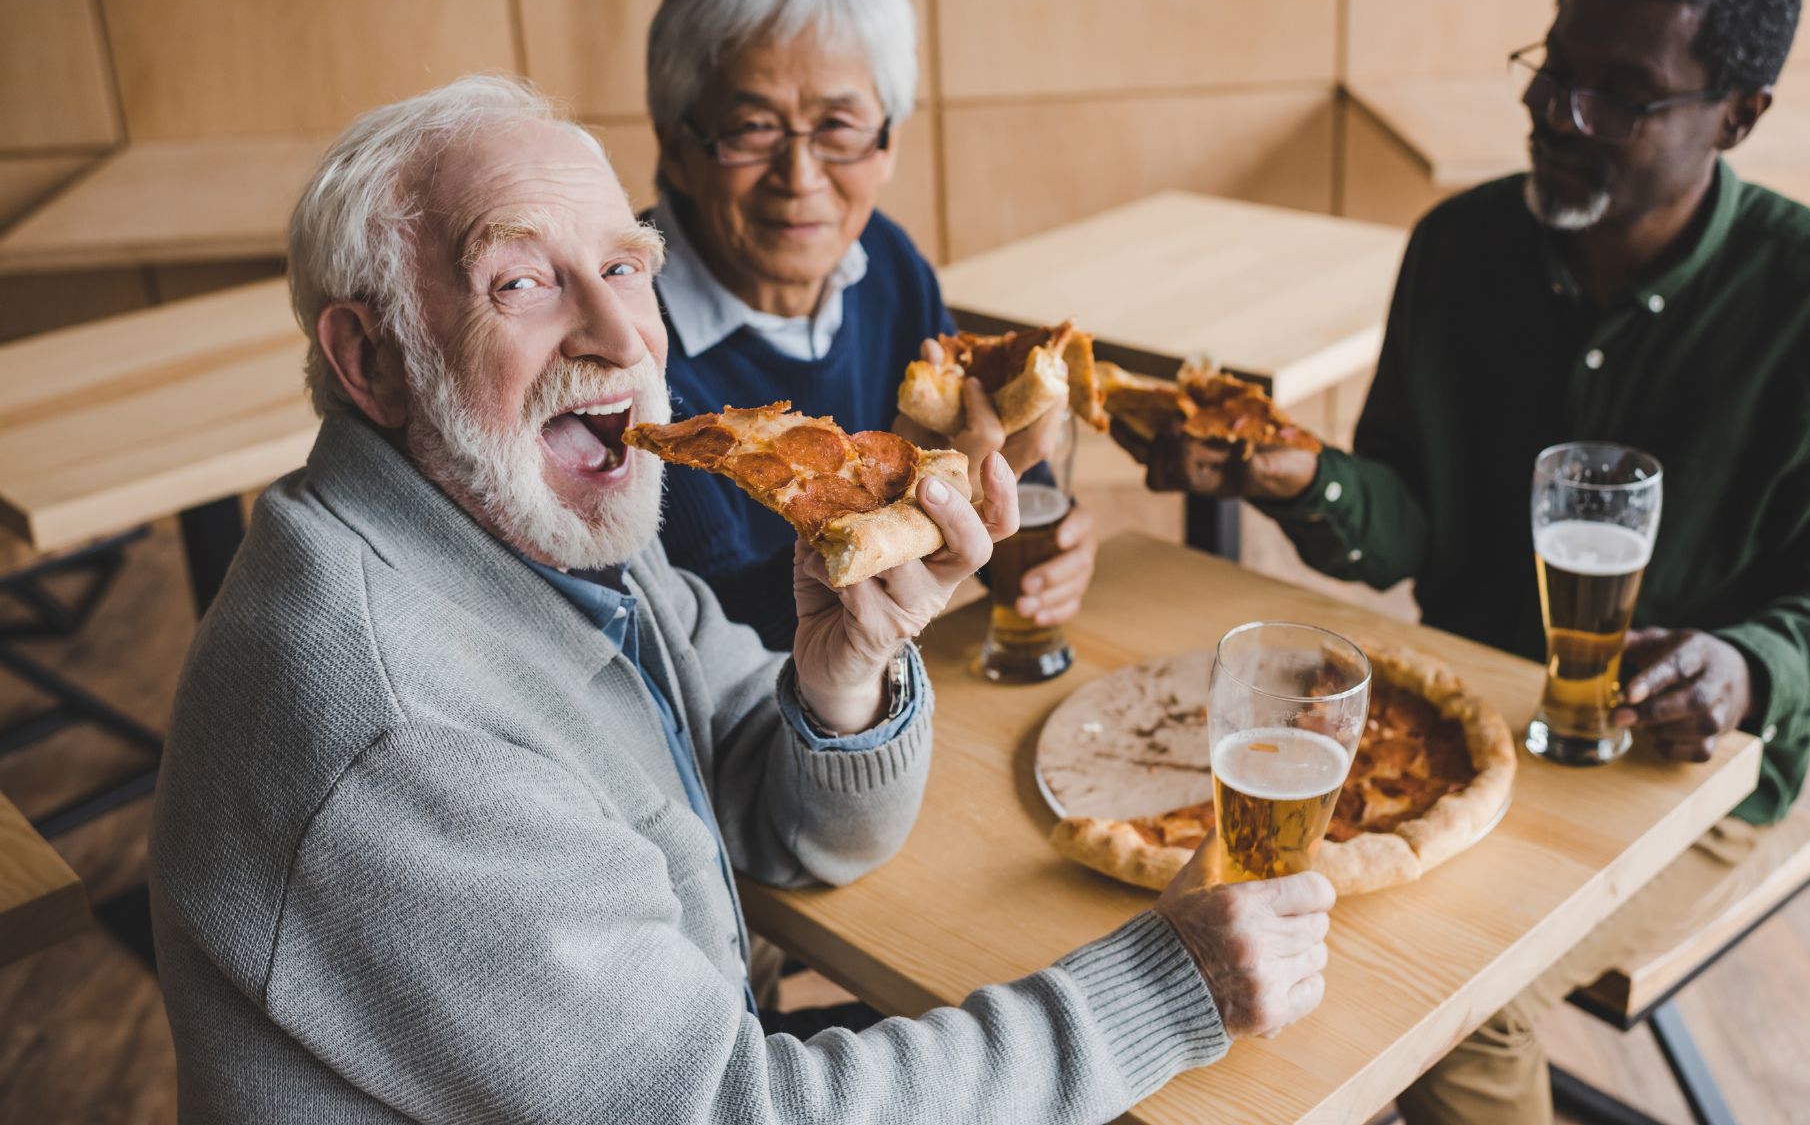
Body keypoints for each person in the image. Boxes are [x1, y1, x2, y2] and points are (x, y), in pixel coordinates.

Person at [147, 75, 1334, 1123]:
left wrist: (846, 672)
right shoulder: (395, 727)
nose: (621, 334)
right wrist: (1162, 991)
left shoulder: (545, 531)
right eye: (522, 281)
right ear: (372, 359)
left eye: (624, 266)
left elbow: (792, 829)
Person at [1116, 0, 1810, 1124]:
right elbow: (1410, 528)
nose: (1559, 115)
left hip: (1679, 774)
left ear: (1739, 115)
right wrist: (1303, 479)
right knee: (1195, 918)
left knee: (1462, 1009)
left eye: (1623, 95)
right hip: (1455, 725)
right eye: (1553, 68)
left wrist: (1749, 665)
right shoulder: (1458, 245)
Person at [642, 0, 1096, 651]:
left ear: (885, 146)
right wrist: (942, 511)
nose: (800, 175)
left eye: (838, 127)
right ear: (677, 147)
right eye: (753, 127)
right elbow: (706, 628)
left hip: (889, 674)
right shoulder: (620, 334)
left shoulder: (883, 259)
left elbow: (960, 464)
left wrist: (1018, 536)